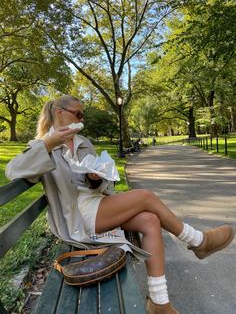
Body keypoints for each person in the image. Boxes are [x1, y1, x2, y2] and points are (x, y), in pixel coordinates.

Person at [5, 95, 235, 314]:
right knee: (144, 196)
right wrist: (48, 144)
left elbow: (95, 186)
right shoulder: (40, 145)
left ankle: (159, 302)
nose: (82, 119)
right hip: (76, 216)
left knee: (150, 220)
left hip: (97, 205)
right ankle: (197, 241)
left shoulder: (83, 143)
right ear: (59, 113)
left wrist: (96, 178)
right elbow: (12, 170)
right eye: (78, 114)